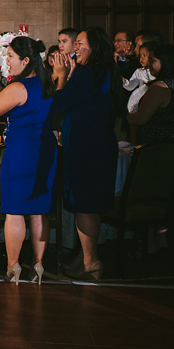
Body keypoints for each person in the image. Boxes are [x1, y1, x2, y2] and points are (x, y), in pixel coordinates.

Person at [0, 37, 57, 284]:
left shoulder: (18, 88)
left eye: (11, 56)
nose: (7, 61)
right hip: (45, 152)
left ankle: (13, 266)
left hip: (22, 153)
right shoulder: (49, 85)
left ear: (26, 61)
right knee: (39, 212)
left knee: (15, 212)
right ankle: (39, 265)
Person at [51, 26, 120, 281]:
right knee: (91, 204)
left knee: (85, 206)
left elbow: (59, 103)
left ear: (94, 47)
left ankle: (92, 262)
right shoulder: (106, 71)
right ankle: (85, 258)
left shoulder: (85, 74)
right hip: (101, 143)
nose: (75, 47)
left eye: (80, 43)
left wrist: (60, 76)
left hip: (86, 147)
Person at [128, 43, 174, 144]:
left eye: (153, 60)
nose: (149, 64)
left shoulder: (159, 87)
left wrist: (130, 117)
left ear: (165, 62)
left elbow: (140, 119)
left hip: (154, 147)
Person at [124, 41, 158, 115]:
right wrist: (124, 81)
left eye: (145, 55)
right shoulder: (139, 71)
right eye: (140, 55)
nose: (141, 59)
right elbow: (131, 86)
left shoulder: (157, 72)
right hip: (140, 101)